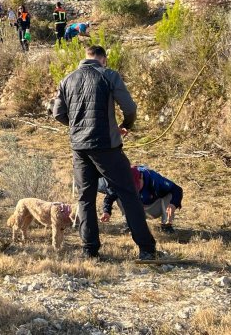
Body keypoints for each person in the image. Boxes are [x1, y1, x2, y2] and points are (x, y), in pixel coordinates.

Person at [52, 45, 157, 261]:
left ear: (86, 57)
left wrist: (76, 127)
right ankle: (147, 249)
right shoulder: (108, 75)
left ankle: (89, 251)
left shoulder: (67, 79)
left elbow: (57, 113)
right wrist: (126, 125)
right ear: (104, 59)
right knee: (128, 194)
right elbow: (130, 108)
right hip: (106, 146)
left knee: (85, 198)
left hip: (79, 147)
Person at [100, 166, 183, 233]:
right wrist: (106, 211)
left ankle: (166, 226)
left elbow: (177, 189)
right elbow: (110, 195)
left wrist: (173, 204)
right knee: (119, 195)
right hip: (135, 209)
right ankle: (129, 224)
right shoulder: (122, 181)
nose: (134, 190)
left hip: (153, 208)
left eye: (136, 186)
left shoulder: (154, 178)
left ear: (141, 177)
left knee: (170, 195)